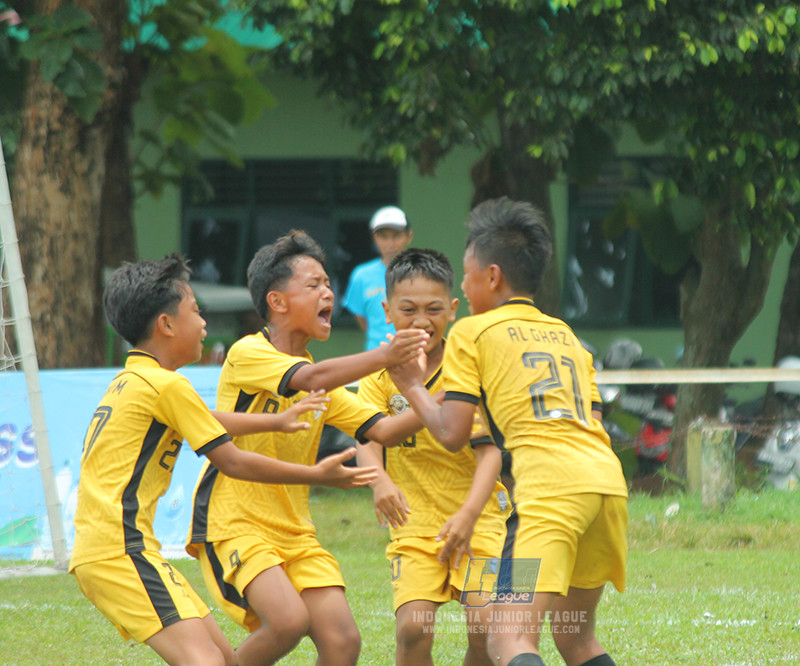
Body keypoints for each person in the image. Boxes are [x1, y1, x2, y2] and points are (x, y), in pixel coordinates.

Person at [69, 255, 378, 666]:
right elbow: (233, 462)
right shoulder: (168, 385)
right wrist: (316, 474)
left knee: (226, 661)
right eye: (196, 312)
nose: (204, 325)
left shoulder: (134, 380)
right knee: (207, 662)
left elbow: (208, 418)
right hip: (119, 550)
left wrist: (273, 421)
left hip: (126, 549)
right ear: (166, 325)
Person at [388, 198, 628, 666]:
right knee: (577, 640)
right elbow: (593, 422)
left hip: (548, 494)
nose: (463, 283)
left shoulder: (472, 332)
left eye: (467, 273)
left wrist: (413, 388)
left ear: (492, 276)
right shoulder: (566, 336)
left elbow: (452, 432)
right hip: (605, 486)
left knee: (509, 640)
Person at [187, 230, 430, 666]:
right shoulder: (249, 353)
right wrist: (388, 355)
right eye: (313, 285)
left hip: (296, 530)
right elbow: (311, 380)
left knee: (343, 642)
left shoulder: (323, 380)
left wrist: (447, 392)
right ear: (277, 302)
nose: (329, 294)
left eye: (328, 285)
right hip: (236, 522)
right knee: (286, 622)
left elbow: (385, 432)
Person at [355, 248, 511, 666]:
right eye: (408, 309)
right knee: (412, 628)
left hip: (482, 518)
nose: (421, 320)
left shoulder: (470, 368)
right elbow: (365, 436)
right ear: (387, 311)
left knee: (487, 627)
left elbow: (490, 452)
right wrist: (379, 481)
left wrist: (469, 515)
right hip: (415, 523)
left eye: (433, 309)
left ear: (453, 310)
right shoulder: (377, 375)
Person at [343, 205, 414, 351]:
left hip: (414, 352)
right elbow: (363, 320)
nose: (390, 243)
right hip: (375, 358)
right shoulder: (361, 275)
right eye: (383, 237)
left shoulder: (421, 272)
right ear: (375, 238)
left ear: (409, 236)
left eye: (396, 236)